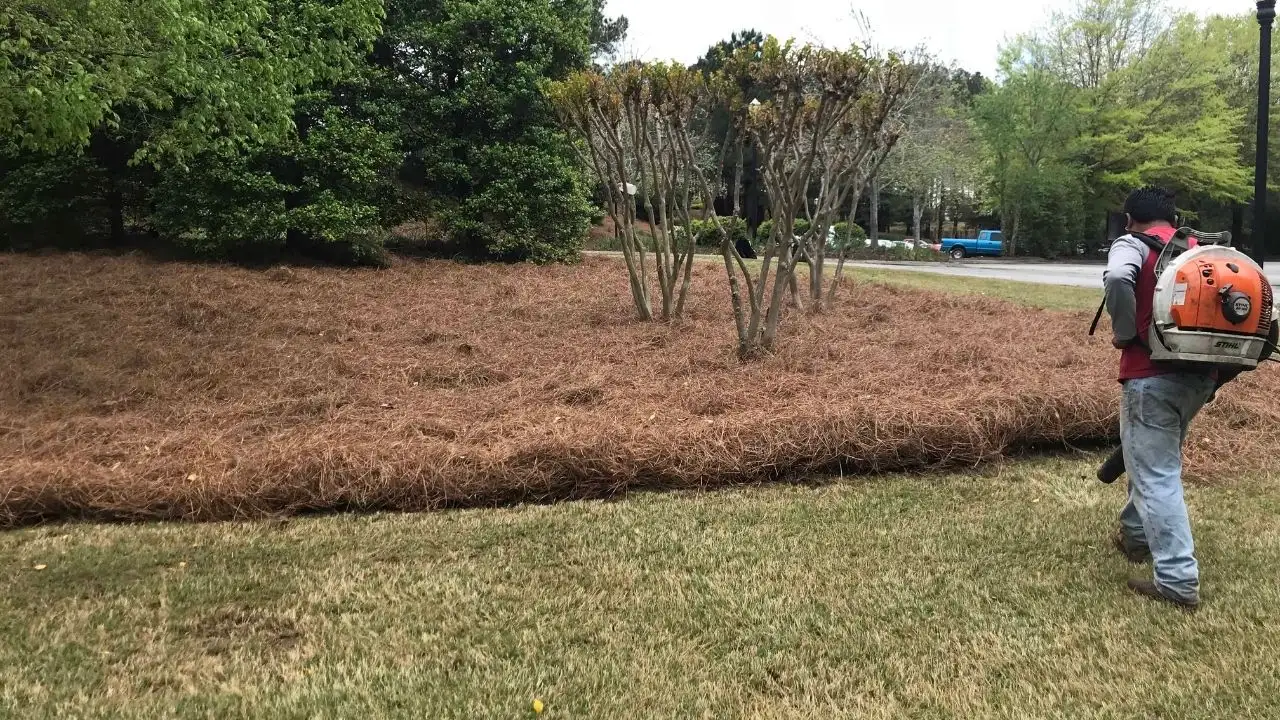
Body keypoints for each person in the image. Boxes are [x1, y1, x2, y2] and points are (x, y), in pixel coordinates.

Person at [1102, 186, 1216, 612]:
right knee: (1150, 460)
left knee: (1156, 473)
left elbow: (1116, 278)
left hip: (1151, 375)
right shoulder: (1198, 247)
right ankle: (1134, 537)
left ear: (1130, 218)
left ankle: (1177, 579)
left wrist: (1126, 332)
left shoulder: (1131, 244)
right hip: (1200, 378)